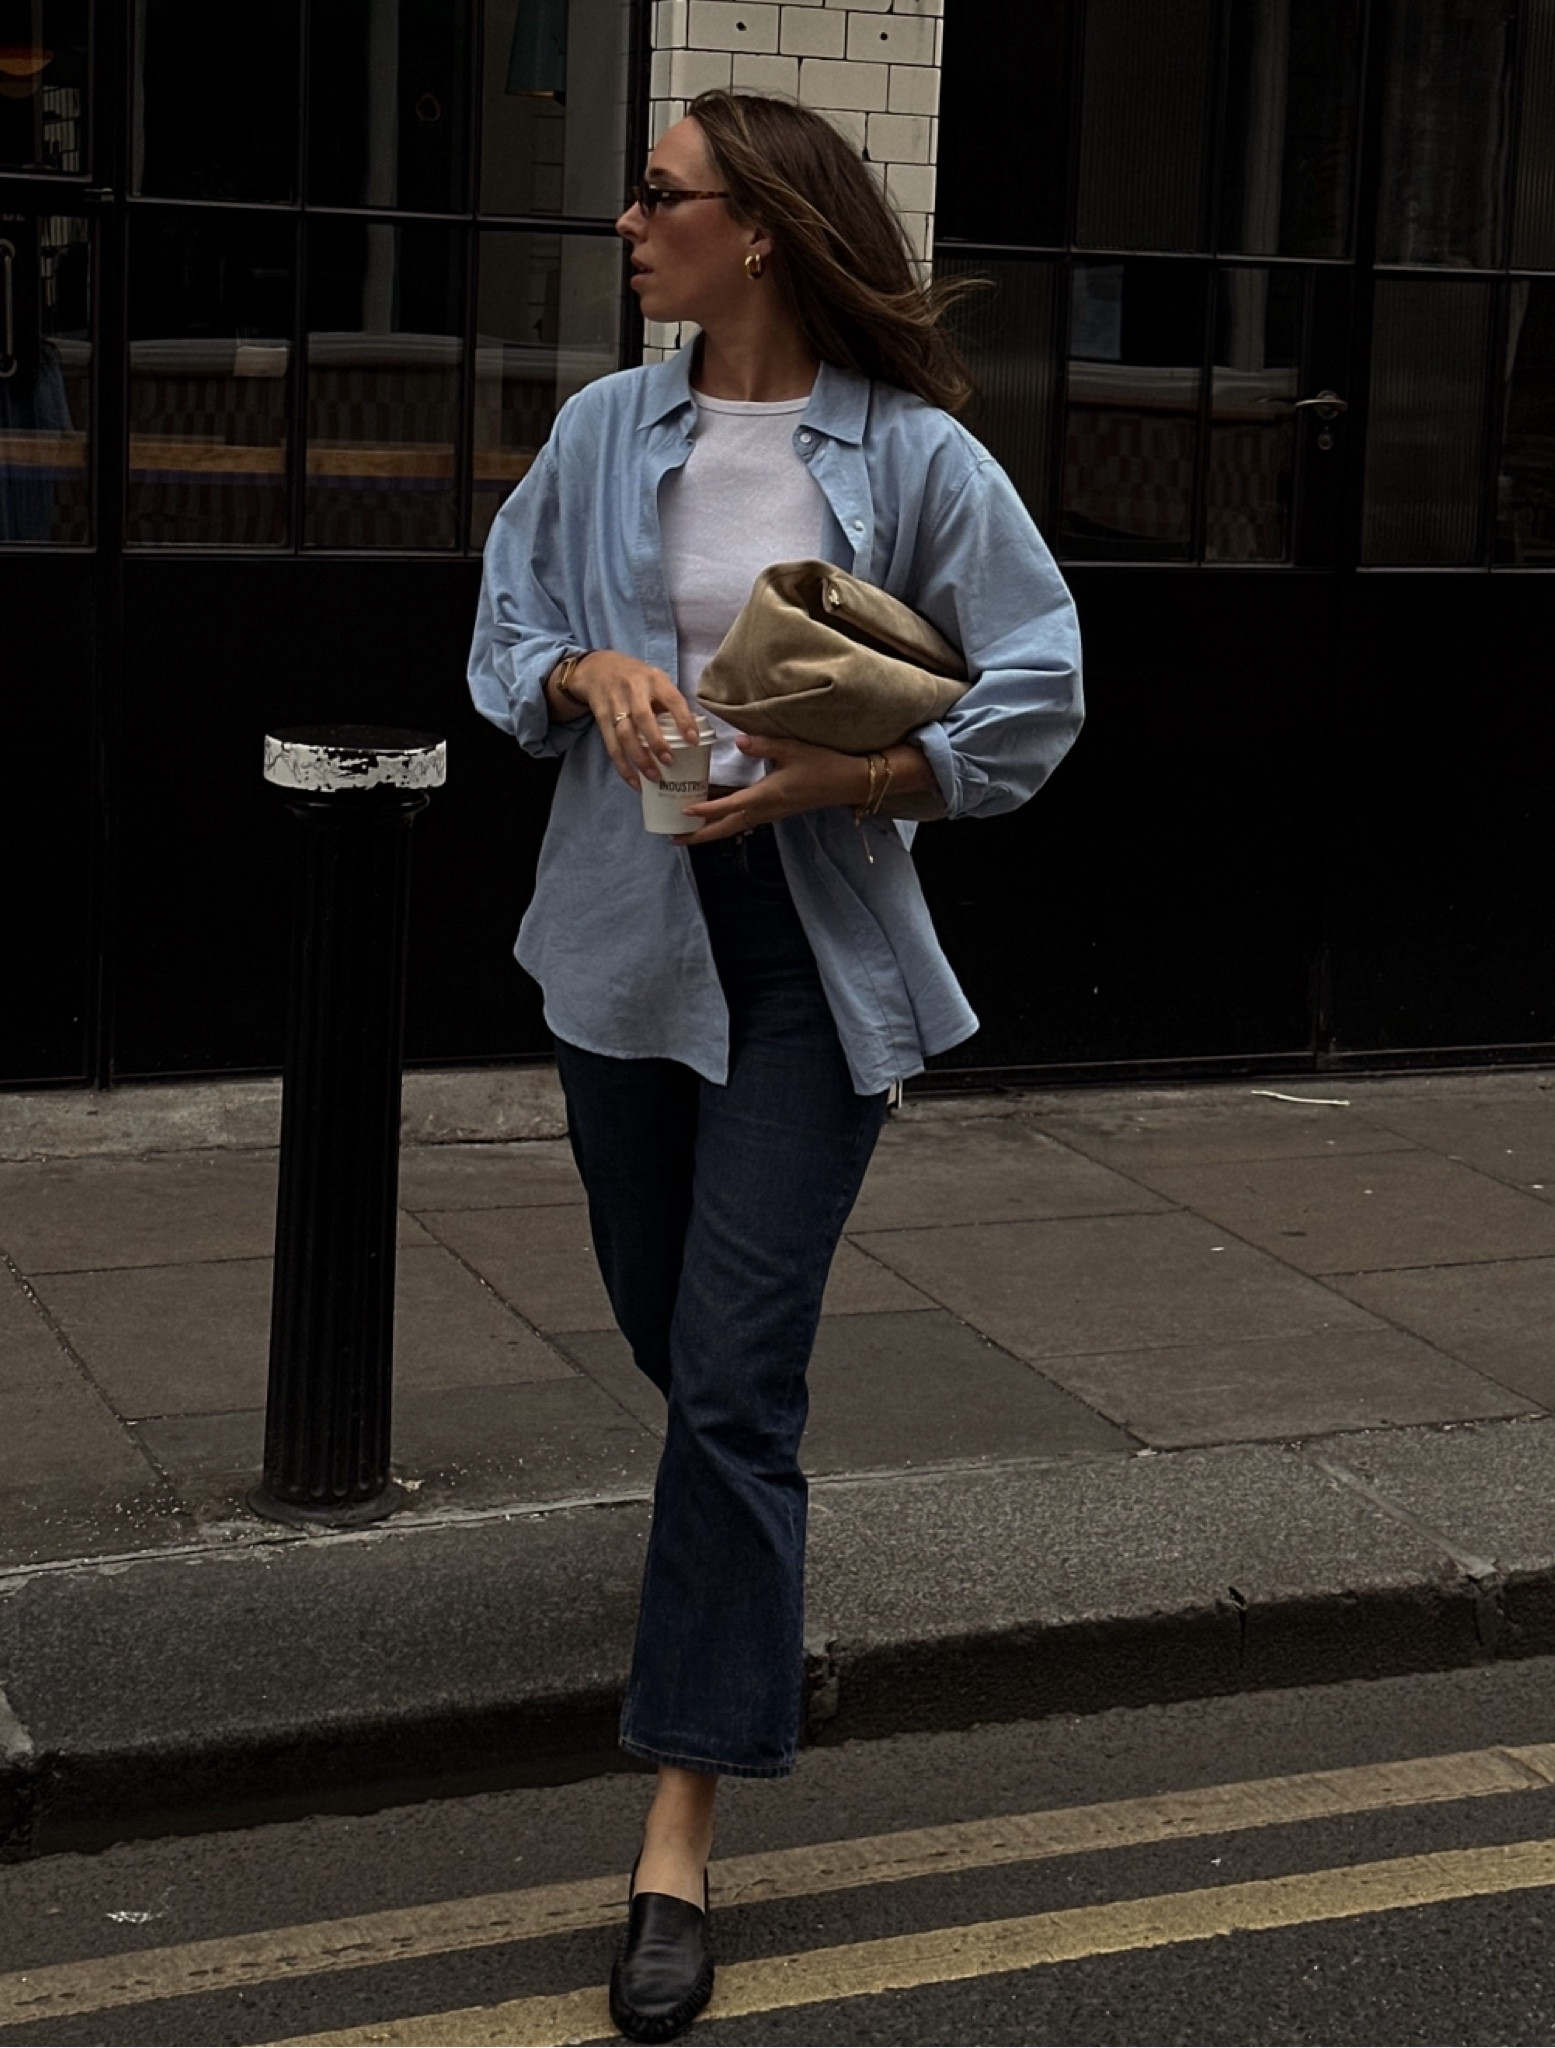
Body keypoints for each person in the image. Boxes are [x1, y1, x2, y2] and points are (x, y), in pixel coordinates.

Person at [468, 88, 1082, 2043]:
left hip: (812, 953)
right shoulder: (602, 431)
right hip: (622, 937)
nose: (627, 220)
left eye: (656, 193)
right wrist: (587, 670)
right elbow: (502, 628)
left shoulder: (910, 454)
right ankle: (738, 1571)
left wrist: (862, 775)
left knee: (733, 1385)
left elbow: (1041, 682)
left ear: (754, 229)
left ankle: (677, 1830)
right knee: (667, 1320)